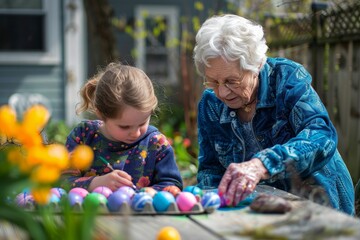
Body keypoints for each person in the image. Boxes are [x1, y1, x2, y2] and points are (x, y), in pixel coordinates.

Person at [193, 14, 355, 215]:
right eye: (213, 82)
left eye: (231, 81)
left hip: (318, 203)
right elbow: (211, 169)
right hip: (256, 210)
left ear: (257, 65)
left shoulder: (287, 78)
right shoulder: (211, 104)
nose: (222, 92)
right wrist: (212, 203)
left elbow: (322, 136)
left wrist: (263, 164)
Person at [61, 62, 183, 192]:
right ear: (101, 114)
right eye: (125, 127)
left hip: (142, 211)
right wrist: (96, 183)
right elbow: (62, 181)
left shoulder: (156, 144)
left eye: (142, 123)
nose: (136, 133)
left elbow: (172, 185)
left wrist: (153, 193)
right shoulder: (84, 136)